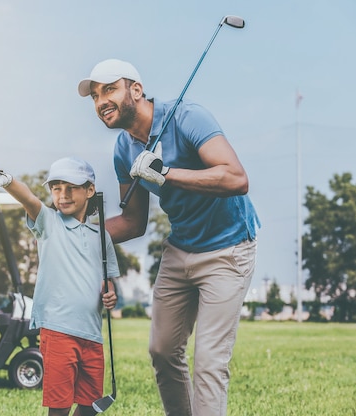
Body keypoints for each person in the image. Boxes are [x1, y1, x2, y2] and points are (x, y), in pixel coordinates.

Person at [77, 59, 260, 416]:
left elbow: (236, 178)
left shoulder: (187, 117)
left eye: (109, 89)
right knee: (162, 351)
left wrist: (166, 173)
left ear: (136, 90)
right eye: (95, 96)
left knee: (208, 363)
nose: (100, 102)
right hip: (179, 250)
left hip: (229, 249)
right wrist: (79, 234)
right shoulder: (123, 149)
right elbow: (132, 222)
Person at [0, 157, 119, 416]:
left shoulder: (101, 237)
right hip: (58, 330)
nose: (63, 195)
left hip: (92, 333)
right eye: (56, 188)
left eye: (71, 188)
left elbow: (107, 280)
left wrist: (110, 294)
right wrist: (8, 181)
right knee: (60, 405)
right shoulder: (49, 224)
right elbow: (30, 200)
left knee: (90, 405)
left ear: (90, 190)